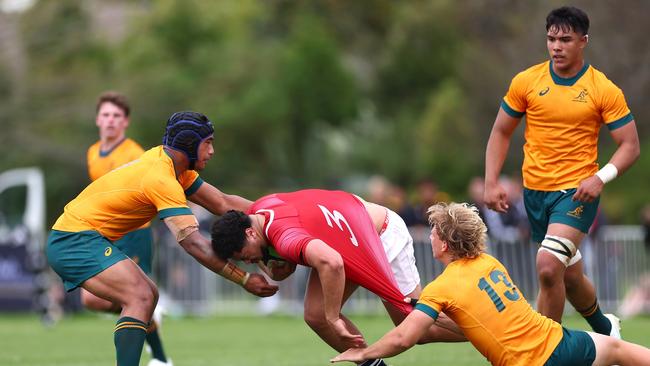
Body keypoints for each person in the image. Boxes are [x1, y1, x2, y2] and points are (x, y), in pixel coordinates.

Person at [46, 111, 278, 366]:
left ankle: (159, 358)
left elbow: (223, 202)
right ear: (189, 144)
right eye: (208, 142)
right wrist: (243, 278)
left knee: (147, 296)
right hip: (73, 239)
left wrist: (277, 214)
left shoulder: (177, 169)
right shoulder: (161, 178)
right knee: (140, 296)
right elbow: (193, 243)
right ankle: (158, 357)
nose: (212, 151)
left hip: (83, 237)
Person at [331, 202, 650, 366]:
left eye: (433, 232)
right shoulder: (490, 263)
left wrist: (364, 354)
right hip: (561, 342)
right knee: (617, 349)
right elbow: (480, 318)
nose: (429, 237)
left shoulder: (442, 288)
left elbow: (405, 337)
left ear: (443, 243)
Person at [483, 6, 640, 335]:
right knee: (567, 275)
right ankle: (604, 326)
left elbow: (630, 145)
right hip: (535, 194)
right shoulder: (527, 81)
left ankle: (543, 349)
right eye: (552, 39)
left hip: (576, 193)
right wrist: (491, 181)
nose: (556, 46)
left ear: (584, 41)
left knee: (547, 267)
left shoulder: (603, 89)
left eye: (565, 39)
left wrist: (601, 178)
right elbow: (501, 131)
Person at [211, 189, 465, 366]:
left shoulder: (283, 238)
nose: (246, 260)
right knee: (315, 315)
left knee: (417, 329)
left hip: (382, 234)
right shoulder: (259, 209)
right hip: (354, 235)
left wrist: (334, 318)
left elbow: (330, 262)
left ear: (250, 234)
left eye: (242, 254)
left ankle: (493, 327)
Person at [83, 91, 171, 366]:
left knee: (133, 296)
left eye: (116, 116)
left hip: (135, 233)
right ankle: (149, 320)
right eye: (106, 115)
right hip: (108, 234)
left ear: (125, 122)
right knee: (91, 300)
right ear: (98, 119)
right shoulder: (92, 153)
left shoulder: (133, 153)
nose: (110, 120)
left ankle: (159, 357)